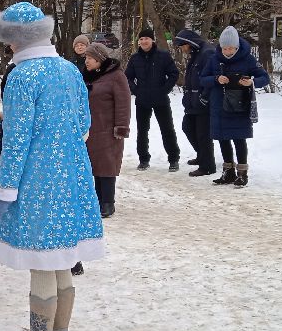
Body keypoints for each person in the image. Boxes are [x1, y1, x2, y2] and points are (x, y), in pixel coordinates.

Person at [0, 2, 104, 331]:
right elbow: (84, 124)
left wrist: (5, 192)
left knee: (41, 257)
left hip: (37, 179)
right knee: (61, 256)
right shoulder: (70, 69)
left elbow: (16, 139)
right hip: (72, 174)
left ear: (14, 41)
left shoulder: (23, 78)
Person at [200, 26, 270, 188]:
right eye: (225, 48)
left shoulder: (248, 59)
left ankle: (242, 173)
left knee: (239, 139)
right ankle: (228, 171)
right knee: (223, 138)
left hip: (239, 105)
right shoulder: (214, 59)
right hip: (218, 105)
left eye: (231, 48)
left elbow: (264, 77)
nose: (228, 51)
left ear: (237, 47)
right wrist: (216, 79)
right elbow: (203, 78)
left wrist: (252, 82)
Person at [84, 43, 130, 219]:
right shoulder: (88, 76)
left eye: (89, 58)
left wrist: (121, 127)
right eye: (86, 58)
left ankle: (108, 203)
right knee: (95, 166)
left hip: (109, 130)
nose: (86, 61)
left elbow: (124, 103)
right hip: (91, 130)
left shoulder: (116, 76)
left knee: (108, 166)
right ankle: (97, 200)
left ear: (99, 59)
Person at [124, 27, 180, 172]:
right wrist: (136, 90)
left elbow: (174, 74)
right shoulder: (135, 58)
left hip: (160, 99)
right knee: (142, 131)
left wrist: (164, 90)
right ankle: (143, 159)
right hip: (142, 100)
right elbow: (127, 77)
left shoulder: (163, 55)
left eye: (146, 39)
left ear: (152, 40)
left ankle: (173, 159)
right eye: (141, 39)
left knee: (167, 129)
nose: (143, 41)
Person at [173, 28, 217, 177]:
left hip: (203, 102)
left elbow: (211, 78)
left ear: (188, 43)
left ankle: (208, 165)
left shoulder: (207, 53)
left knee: (203, 134)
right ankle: (202, 156)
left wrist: (204, 96)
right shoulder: (196, 54)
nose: (181, 49)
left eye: (182, 45)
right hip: (192, 102)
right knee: (188, 127)